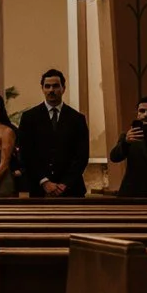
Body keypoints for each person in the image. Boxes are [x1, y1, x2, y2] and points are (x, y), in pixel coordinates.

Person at [16, 68, 90, 197]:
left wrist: (65, 183)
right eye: (47, 86)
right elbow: (26, 153)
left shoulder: (77, 119)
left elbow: (81, 155)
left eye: (55, 86)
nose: (51, 90)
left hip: (71, 189)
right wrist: (44, 181)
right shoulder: (29, 117)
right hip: (40, 189)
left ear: (63, 88)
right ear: (42, 89)